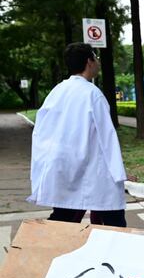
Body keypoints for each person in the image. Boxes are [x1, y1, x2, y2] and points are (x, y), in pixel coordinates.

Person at [28, 42, 130, 227]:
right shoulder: (93, 94)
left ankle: (43, 249)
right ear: (89, 61)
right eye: (96, 58)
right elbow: (107, 138)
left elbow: (40, 131)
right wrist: (119, 173)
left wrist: (43, 165)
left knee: (63, 216)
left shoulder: (57, 92)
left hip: (62, 165)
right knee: (113, 217)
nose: (98, 62)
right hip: (90, 168)